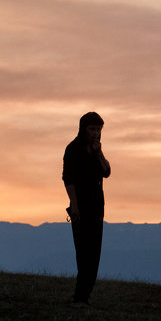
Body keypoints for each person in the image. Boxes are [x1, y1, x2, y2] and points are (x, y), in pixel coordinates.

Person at [63, 111, 111, 308]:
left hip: (97, 207)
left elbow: (107, 172)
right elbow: (68, 179)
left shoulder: (96, 149)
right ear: (83, 129)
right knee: (83, 254)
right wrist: (74, 205)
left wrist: (99, 152)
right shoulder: (73, 149)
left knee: (94, 254)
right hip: (80, 208)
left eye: (99, 129)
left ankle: (85, 296)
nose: (96, 133)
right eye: (92, 129)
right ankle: (79, 297)